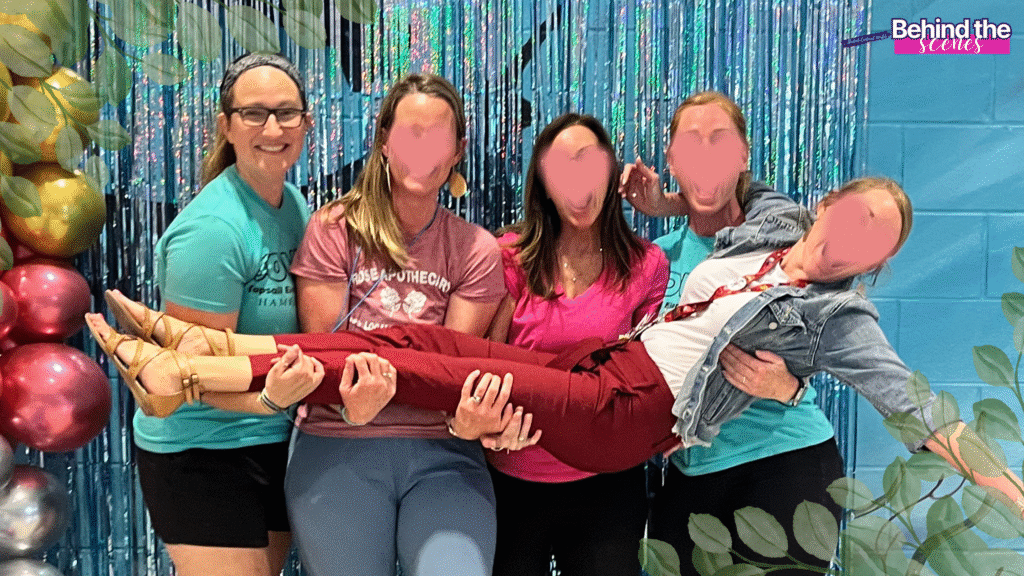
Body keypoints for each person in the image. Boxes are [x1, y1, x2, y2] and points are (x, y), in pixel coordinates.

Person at [90, 177, 1024, 526]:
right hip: (609, 365)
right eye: (856, 214)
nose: (856, 236)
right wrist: (654, 203)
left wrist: (1008, 489)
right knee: (412, 337)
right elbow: (709, 210)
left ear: (879, 263)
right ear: (829, 206)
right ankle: (213, 335)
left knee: (428, 368)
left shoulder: (837, 319)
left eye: (878, 240)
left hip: (637, 415)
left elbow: (919, 409)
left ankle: (196, 373)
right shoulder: (772, 226)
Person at [277, 73, 508, 576]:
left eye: (439, 138)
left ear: (458, 152)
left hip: (444, 453)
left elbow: (450, 371)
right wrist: (348, 404)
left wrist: (463, 420)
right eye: (410, 135)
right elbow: (323, 355)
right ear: (384, 141)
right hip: (337, 442)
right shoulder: (335, 228)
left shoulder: (475, 249)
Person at [619, 91, 842, 574]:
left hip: (785, 458)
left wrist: (790, 387)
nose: (705, 154)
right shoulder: (654, 258)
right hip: (690, 473)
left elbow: (832, 331)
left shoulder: (785, 235)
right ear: (671, 157)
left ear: (743, 155)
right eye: (690, 143)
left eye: (719, 141)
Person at [116, 53, 318, 576]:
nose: (272, 127)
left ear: (306, 123)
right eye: (253, 113)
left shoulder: (295, 205)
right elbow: (194, 376)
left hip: (272, 440)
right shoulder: (210, 232)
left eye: (286, 112)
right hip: (202, 450)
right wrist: (273, 398)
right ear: (225, 125)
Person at [486, 113, 668, 575]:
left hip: (607, 486)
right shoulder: (509, 256)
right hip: (512, 481)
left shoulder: (646, 265)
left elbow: (647, 378)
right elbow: (484, 363)